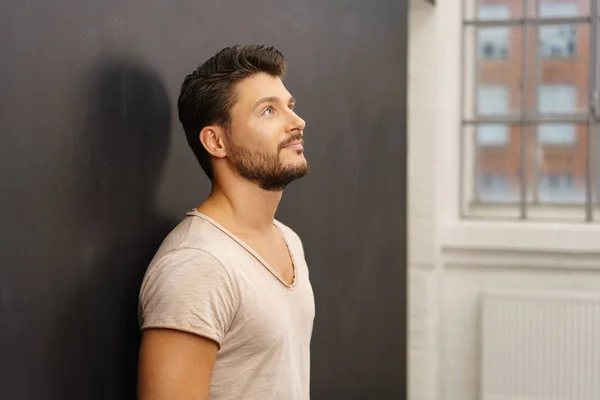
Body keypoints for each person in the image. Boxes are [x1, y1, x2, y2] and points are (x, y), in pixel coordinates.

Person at [137, 45, 315, 400]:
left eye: (289, 107)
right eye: (268, 110)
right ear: (216, 141)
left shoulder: (287, 240)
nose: (297, 122)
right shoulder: (197, 265)